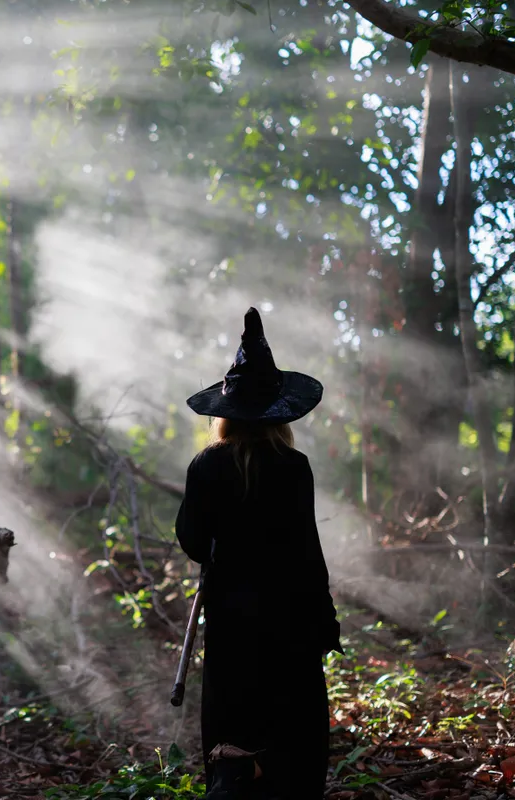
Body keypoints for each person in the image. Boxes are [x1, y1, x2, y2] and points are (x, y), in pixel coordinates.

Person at [175, 307, 342, 800]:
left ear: (226, 413)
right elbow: (307, 551)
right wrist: (323, 622)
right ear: (278, 412)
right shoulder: (295, 467)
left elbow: (191, 541)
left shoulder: (207, 465)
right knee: (292, 739)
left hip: (232, 625)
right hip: (291, 623)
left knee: (234, 742)